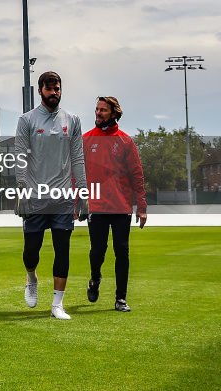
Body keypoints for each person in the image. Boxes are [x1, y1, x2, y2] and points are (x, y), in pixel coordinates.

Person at [12, 71, 86, 320]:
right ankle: (31, 278)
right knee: (31, 250)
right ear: (40, 90)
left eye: (57, 89)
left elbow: (78, 158)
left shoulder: (72, 120)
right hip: (35, 196)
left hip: (63, 197)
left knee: (62, 250)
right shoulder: (27, 120)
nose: (54, 93)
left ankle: (57, 305)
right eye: (49, 89)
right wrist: (21, 190)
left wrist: (83, 195)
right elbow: (20, 156)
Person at [84, 96, 147, 312]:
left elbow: (137, 175)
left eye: (103, 110)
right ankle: (95, 278)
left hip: (121, 207)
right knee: (98, 251)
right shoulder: (86, 139)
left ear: (114, 113)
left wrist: (142, 207)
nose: (98, 113)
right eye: (97, 109)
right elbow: (76, 175)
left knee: (122, 251)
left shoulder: (125, 141)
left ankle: (121, 298)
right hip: (96, 206)